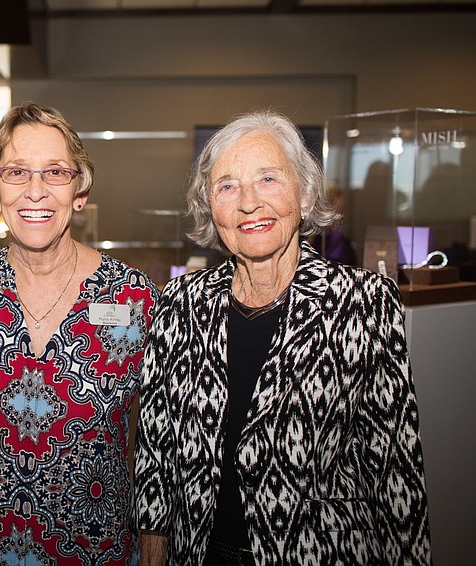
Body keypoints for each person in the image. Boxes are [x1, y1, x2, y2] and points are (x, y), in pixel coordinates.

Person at [135, 109, 431, 565]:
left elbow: (396, 474)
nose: (248, 203)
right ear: (210, 207)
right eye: (227, 186)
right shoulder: (180, 302)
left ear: (305, 191)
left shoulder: (365, 303)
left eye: (268, 178)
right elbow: (156, 453)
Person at [0, 101, 159, 565]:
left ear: (79, 190)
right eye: (16, 172)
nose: (36, 191)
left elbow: (160, 443)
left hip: (96, 549)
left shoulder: (131, 297)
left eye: (56, 172)